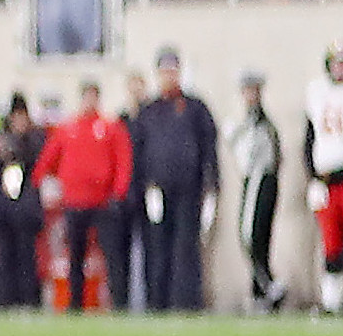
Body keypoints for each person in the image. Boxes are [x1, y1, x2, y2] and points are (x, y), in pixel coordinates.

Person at [124, 49, 219, 314]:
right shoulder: (150, 112)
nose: (169, 76)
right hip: (157, 191)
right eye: (164, 71)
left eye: (173, 70)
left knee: (186, 247)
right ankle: (158, 302)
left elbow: (208, 148)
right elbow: (138, 153)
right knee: (157, 247)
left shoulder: (195, 108)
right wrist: (143, 187)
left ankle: (187, 303)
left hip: (188, 191)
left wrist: (211, 186)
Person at [37, 79, 131, 312]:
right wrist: (40, 184)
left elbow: (123, 161)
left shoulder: (110, 127)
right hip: (74, 202)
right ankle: (75, 304)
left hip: (102, 203)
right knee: (75, 257)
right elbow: (47, 161)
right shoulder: (68, 129)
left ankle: (119, 303)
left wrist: (118, 192)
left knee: (112, 255)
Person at [229, 72, 284, 311]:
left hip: (262, 180)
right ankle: (262, 288)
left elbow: (273, 156)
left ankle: (267, 286)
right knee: (249, 236)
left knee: (254, 236)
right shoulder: (246, 122)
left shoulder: (263, 123)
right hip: (250, 180)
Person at [0, 92, 48, 310]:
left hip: (26, 211)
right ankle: (6, 299)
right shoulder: (0, 139)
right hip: (4, 211)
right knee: (4, 256)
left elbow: (38, 161)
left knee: (27, 256)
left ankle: (29, 299)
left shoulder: (35, 139)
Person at [310, 46, 343, 316]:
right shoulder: (317, 93)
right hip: (328, 181)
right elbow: (309, 139)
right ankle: (331, 301)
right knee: (331, 244)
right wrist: (313, 178)